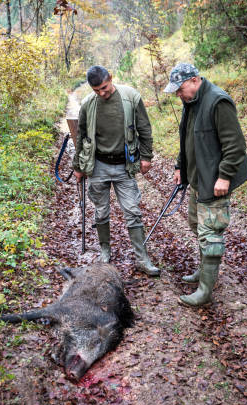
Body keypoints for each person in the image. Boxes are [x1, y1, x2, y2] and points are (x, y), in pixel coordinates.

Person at [164, 63, 247, 306]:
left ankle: (205, 292)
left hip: (214, 181)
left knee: (210, 233)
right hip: (196, 178)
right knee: (197, 225)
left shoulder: (218, 101)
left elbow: (235, 145)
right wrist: (180, 166)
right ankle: (204, 272)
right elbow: (187, 138)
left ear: (194, 80)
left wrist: (224, 176)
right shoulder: (191, 102)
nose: (179, 95)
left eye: (180, 89)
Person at [72, 65, 159, 276]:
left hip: (124, 165)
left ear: (110, 78)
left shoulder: (130, 97)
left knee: (132, 211)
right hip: (98, 165)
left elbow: (144, 128)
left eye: (104, 87)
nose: (102, 93)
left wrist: (146, 156)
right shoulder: (87, 104)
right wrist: (78, 166)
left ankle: (142, 258)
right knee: (101, 211)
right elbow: (81, 136)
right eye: (96, 90)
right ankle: (105, 251)